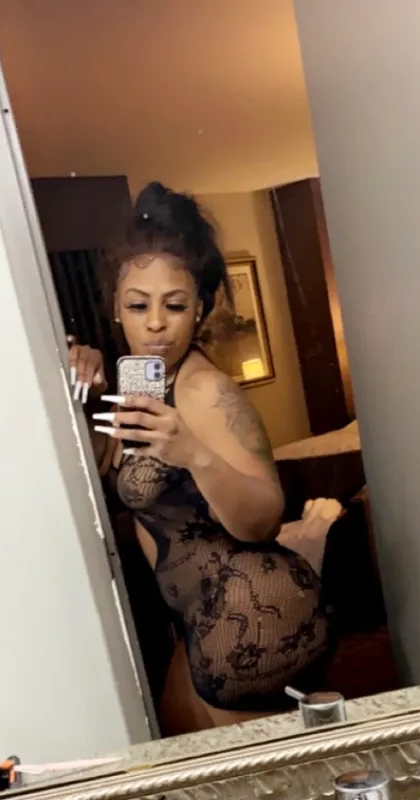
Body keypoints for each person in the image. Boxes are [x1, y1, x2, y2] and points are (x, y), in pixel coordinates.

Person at [69, 182, 330, 731]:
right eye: (137, 305)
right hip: (201, 612)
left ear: (200, 310)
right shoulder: (141, 382)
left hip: (252, 613)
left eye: (175, 305)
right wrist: (84, 394)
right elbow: (104, 474)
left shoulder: (206, 391)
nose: (155, 323)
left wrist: (191, 451)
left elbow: (262, 520)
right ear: (115, 308)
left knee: (251, 776)